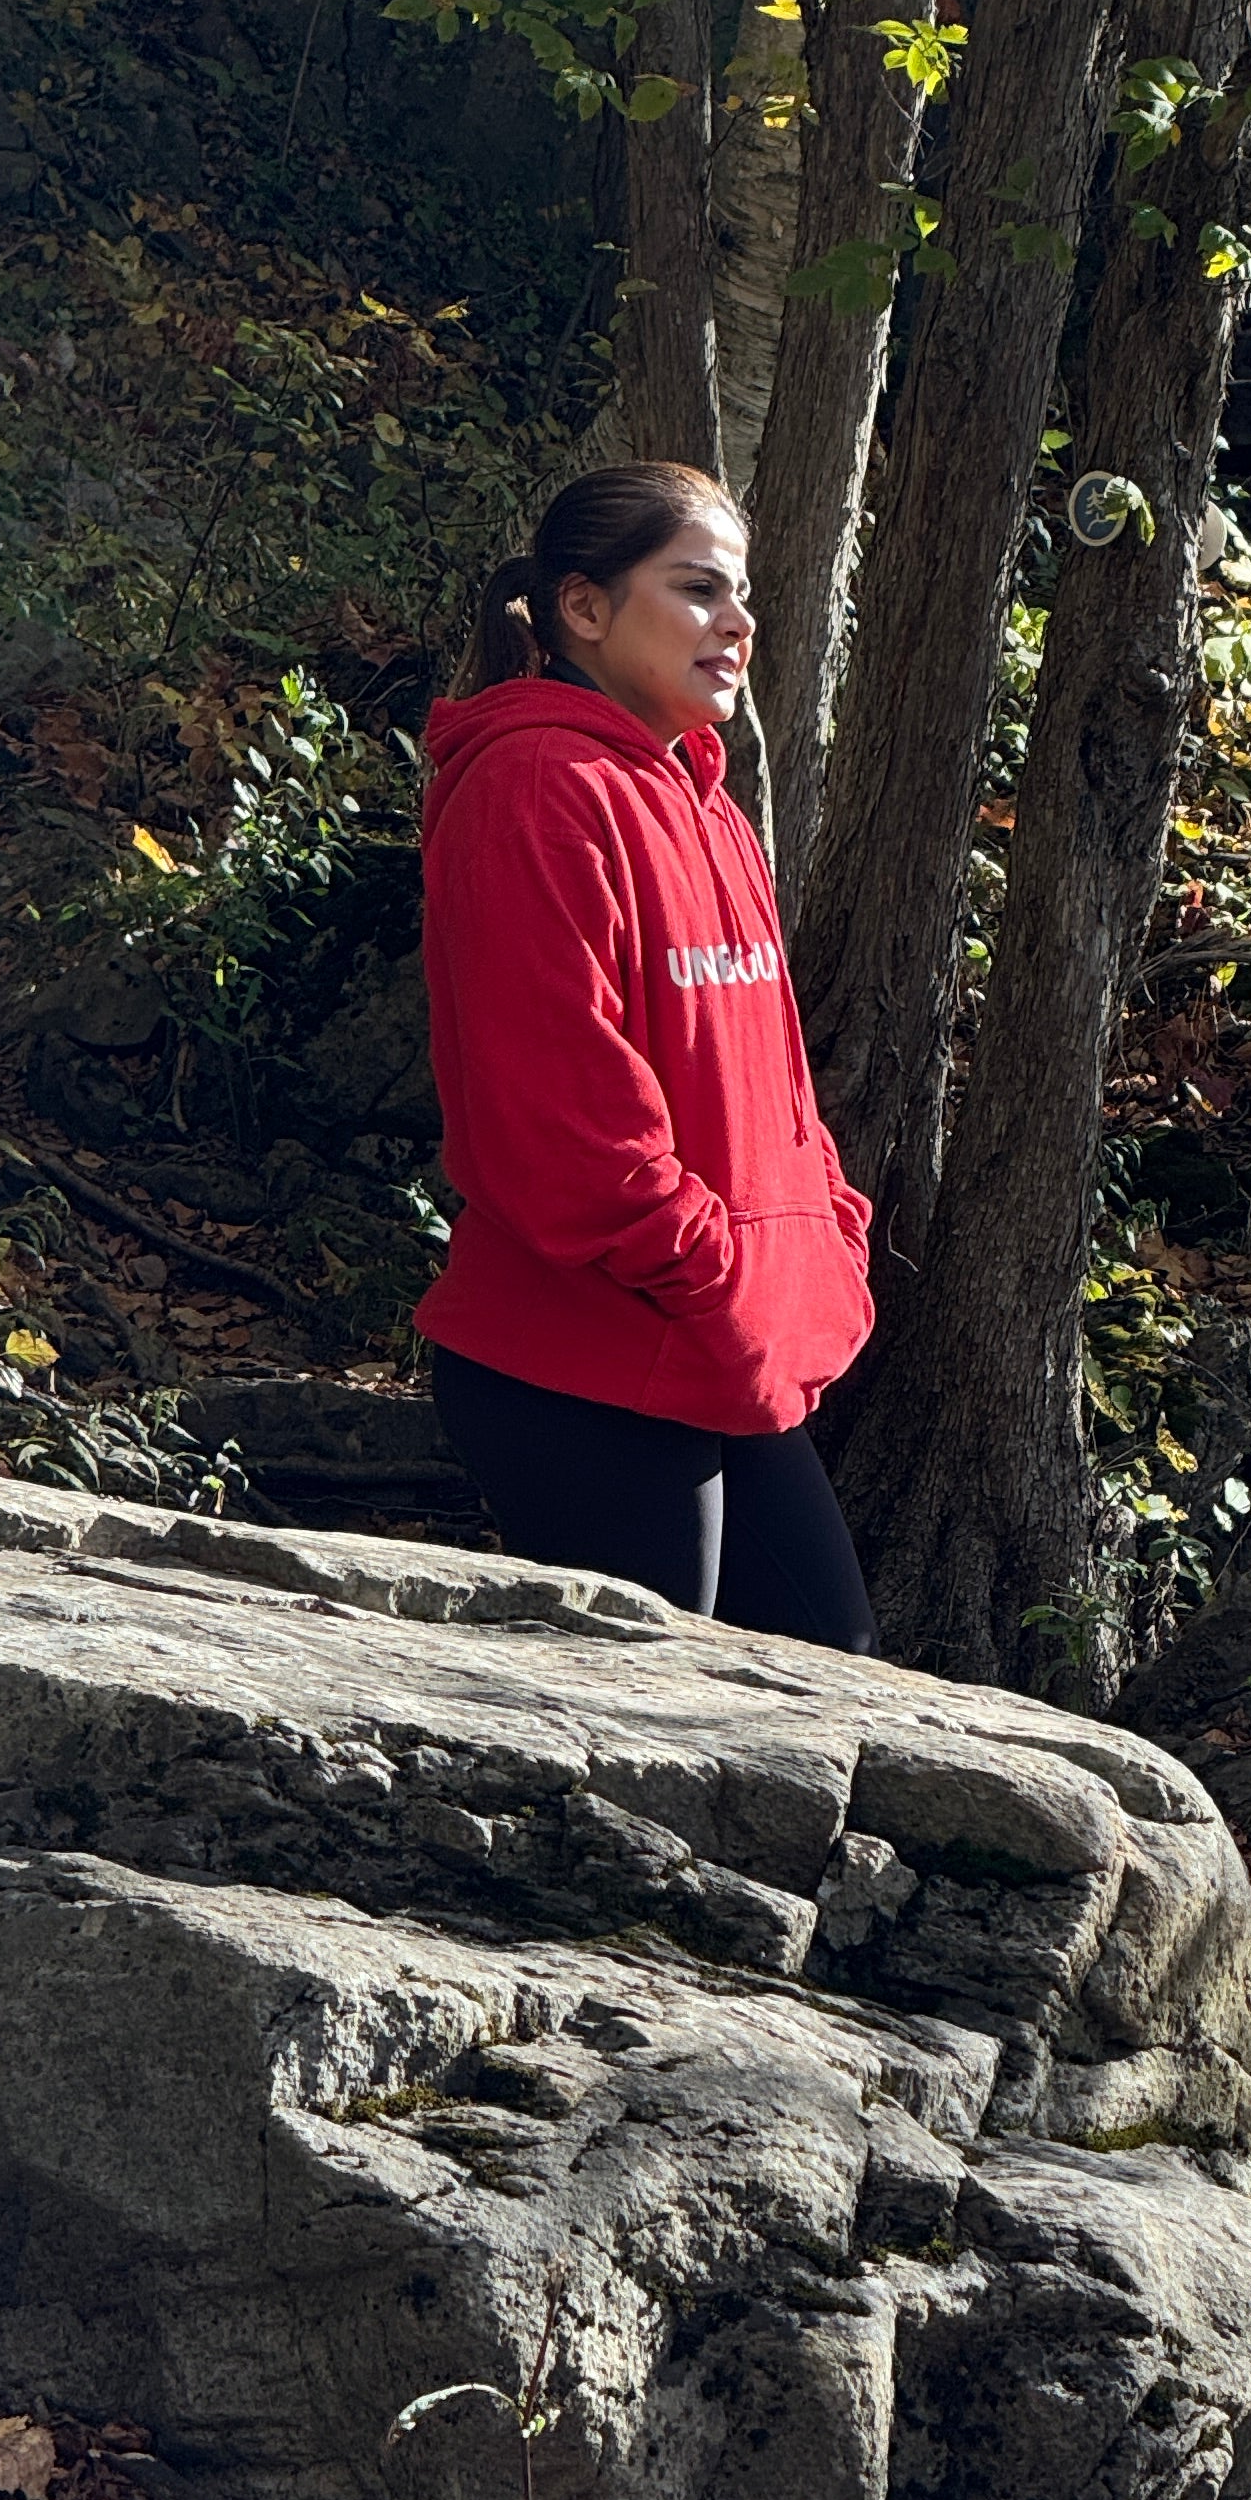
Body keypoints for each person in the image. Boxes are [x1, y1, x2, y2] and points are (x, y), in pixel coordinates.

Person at [414, 462, 878, 1649]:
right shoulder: (532, 787)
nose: (738, 622)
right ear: (583, 608)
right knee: (674, 1773)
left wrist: (823, 1239)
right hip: (584, 1367)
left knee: (831, 1677)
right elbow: (560, 1124)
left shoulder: (705, 802)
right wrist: (721, 1271)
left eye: (743, 594)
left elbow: (772, 1090)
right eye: (697, 589)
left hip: (715, 1348)